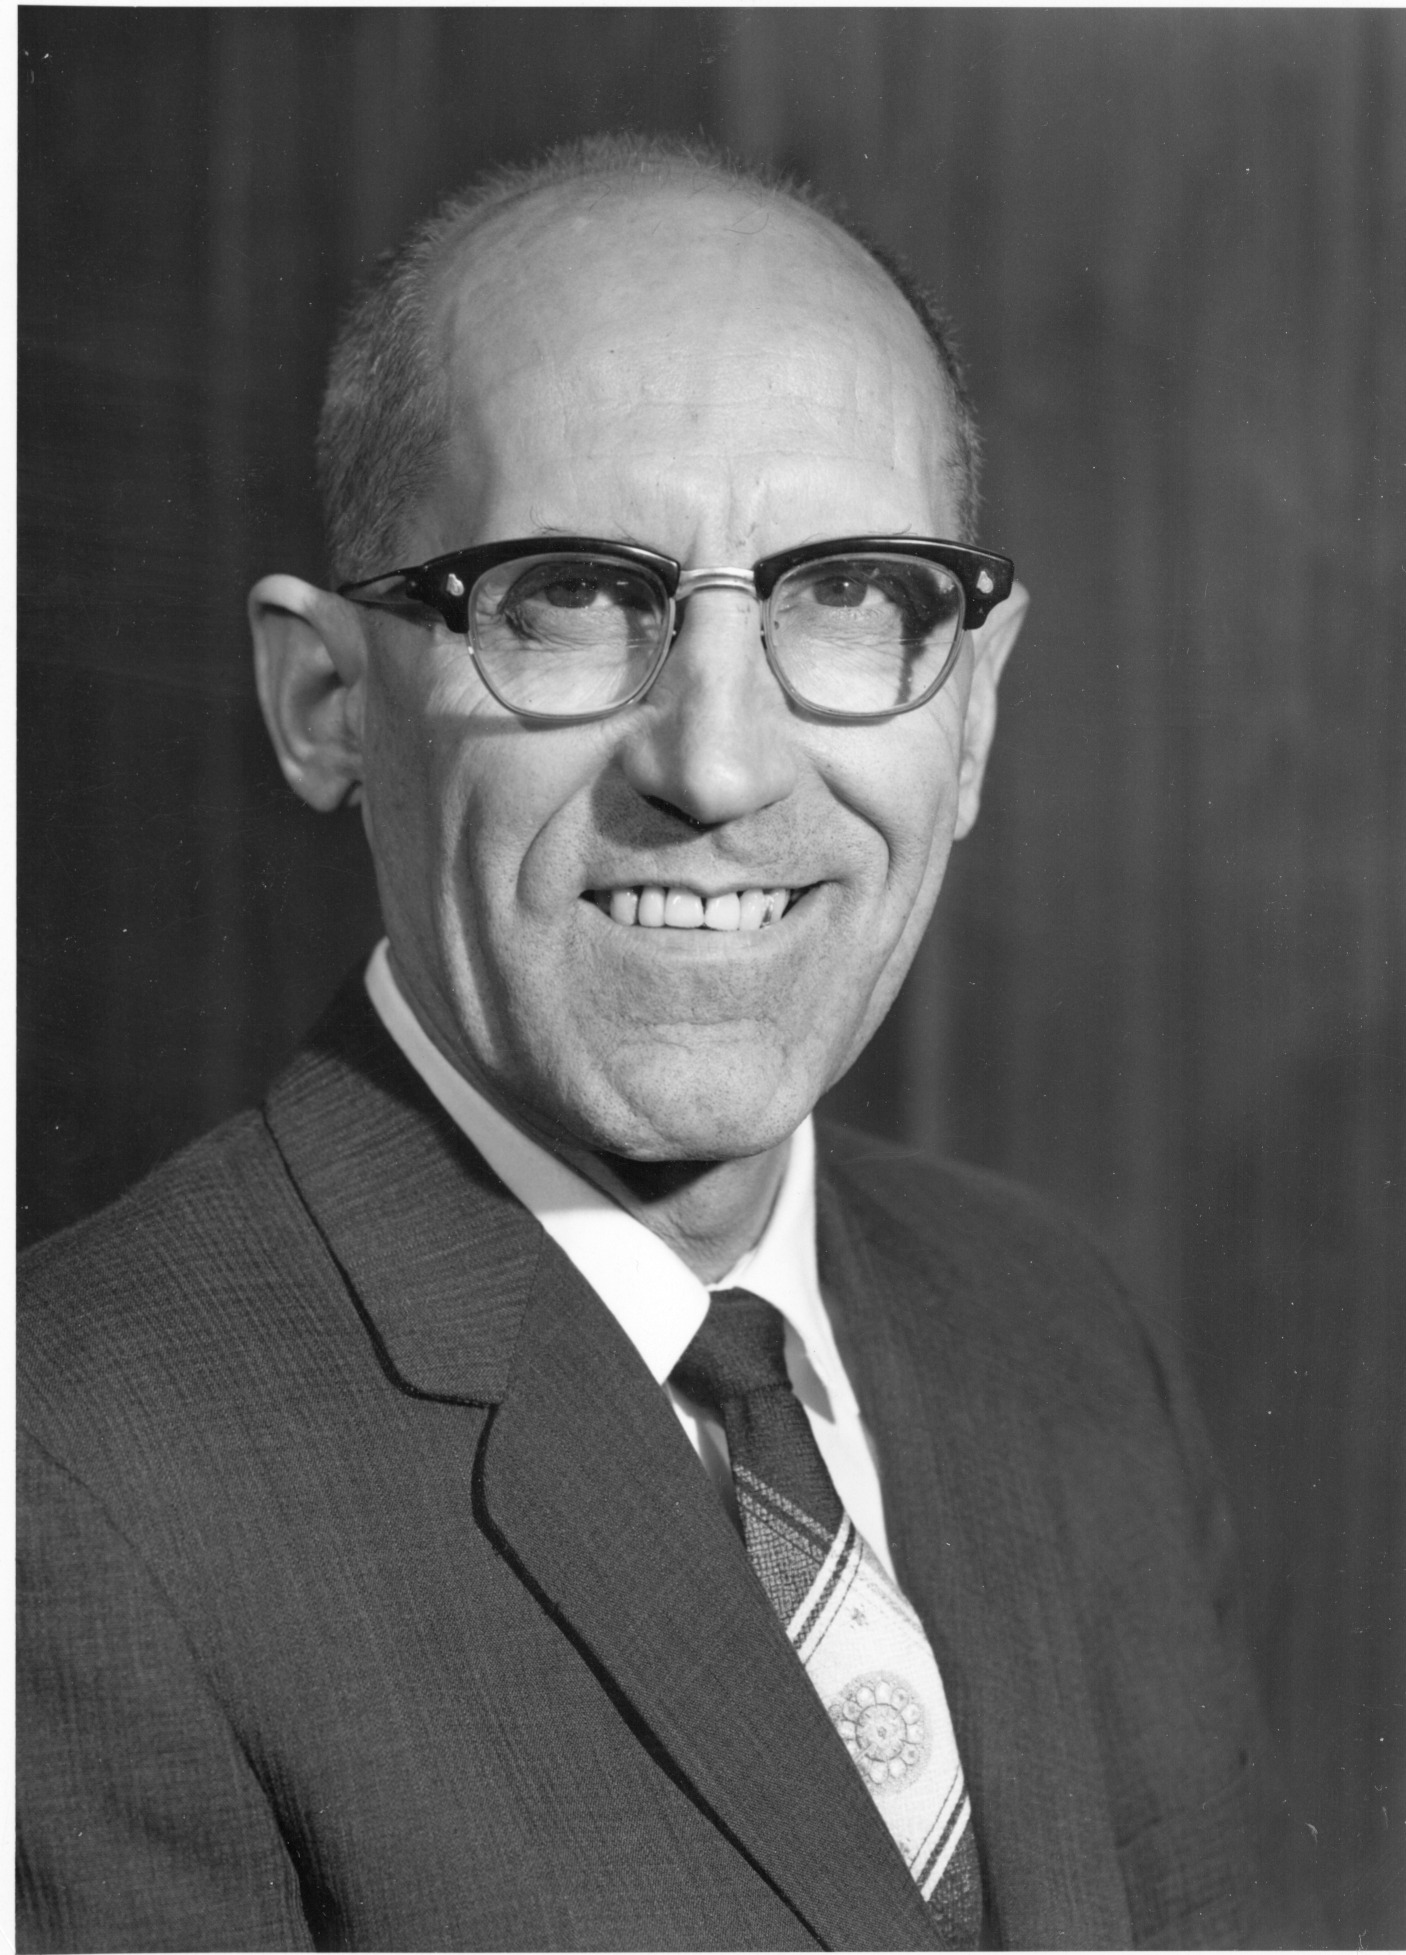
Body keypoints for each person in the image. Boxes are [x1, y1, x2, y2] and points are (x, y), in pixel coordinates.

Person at [18, 135, 1273, 1951]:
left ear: (974, 713)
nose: (720, 764)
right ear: (326, 701)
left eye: (850, 595)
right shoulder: (64, 1484)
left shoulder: (1059, 1335)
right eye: (569, 597)